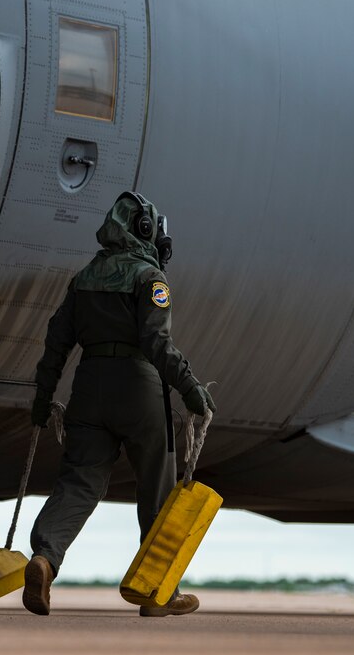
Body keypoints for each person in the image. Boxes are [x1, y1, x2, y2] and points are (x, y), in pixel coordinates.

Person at [23, 191, 216, 618]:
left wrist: (42, 398)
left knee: (79, 482)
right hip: (138, 386)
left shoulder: (84, 278)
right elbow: (156, 342)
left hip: (88, 388)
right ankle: (159, 593)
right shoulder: (151, 280)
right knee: (157, 491)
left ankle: (45, 558)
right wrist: (190, 389)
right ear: (144, 230)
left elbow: (56, 344)